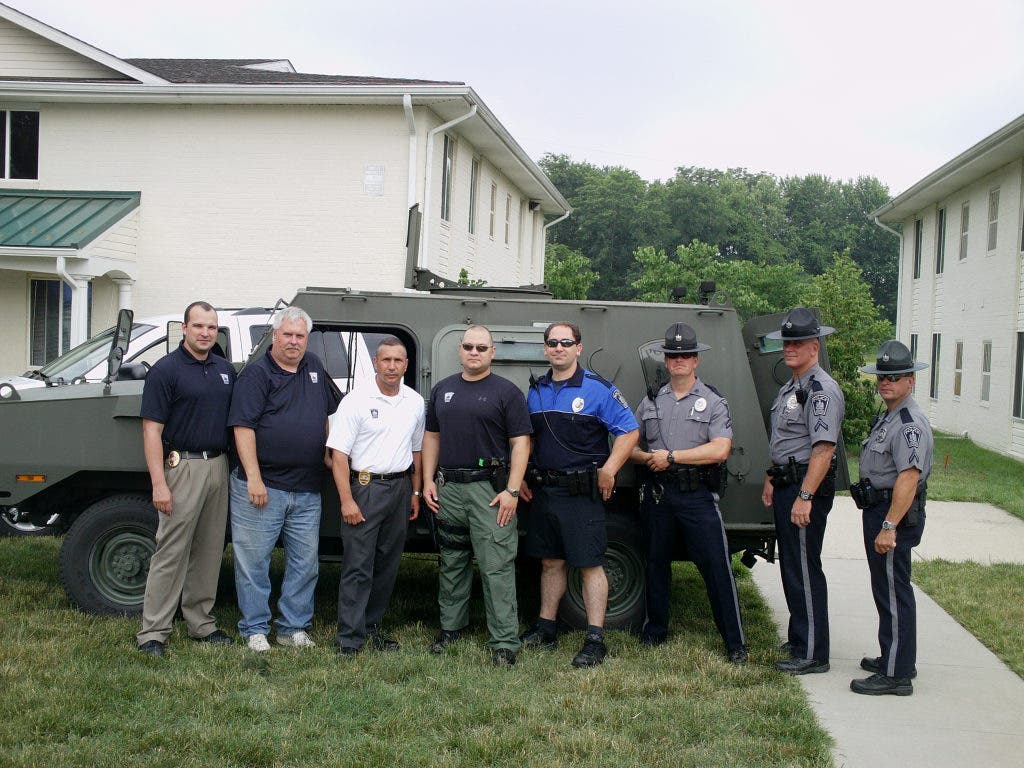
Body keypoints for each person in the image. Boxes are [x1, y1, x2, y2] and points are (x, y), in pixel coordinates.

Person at [520, 322, 639, 668]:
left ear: (578, 348)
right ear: (545, 349)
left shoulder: (598, 389)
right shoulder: (536, 390)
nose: (559, 348)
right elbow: (530, 440)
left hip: (581, 493)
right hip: (544, 491)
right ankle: (545, 627)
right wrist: (524, 475)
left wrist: (610, 469)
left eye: (565, 342)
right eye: (552, 343)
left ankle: (595, 638)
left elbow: (629, 431)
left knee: (589, 564)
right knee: (551, 562)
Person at [630, 323, 746, 663]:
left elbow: (720, 449)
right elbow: (629, 443)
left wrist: (671, 457)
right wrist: (646, 457)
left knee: (716, 567)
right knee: (655, 563)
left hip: (697, 495)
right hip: (658, 495)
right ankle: (655, 633)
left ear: (695, 360)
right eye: (673, 355)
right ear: (666, 361)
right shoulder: (651, 400)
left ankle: (735, 644)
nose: (679, 360)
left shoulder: (712, 401)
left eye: (685, 355)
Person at [228, 306, 338, 653]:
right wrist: (253, 478)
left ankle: (293, 628)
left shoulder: (315, 368)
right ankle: (255, 629)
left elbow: (333, 410)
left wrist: (328, 446)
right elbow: (242, 427)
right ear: (275, 336)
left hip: (307, 487)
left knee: (305, 564)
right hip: (264, 486)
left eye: (300, 336)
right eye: (287, 335)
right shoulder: (257, 375)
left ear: (307, 339)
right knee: (254, 563)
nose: (293, 341)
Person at [421, 325, 532, 667]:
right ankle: (451, 629)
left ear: (492, 352)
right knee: (452, 561)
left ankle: (504, 642)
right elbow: (431, 438)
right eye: (468, 346)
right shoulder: (442, 390)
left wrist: (512, 490)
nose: (474, 352)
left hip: (490, 492)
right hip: (449, 488)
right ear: (460, 350)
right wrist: (427, 480)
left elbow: (521, 443)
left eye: (481, 348)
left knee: (495, 564)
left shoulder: (507, 392)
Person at [136, 301, 236, 657]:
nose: (205, 333)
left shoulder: (225, 370)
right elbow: (151, 431)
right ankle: (153, 632)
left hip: (218, 466)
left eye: (211, 327)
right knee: (171, 551)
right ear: (184, 328)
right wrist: (159, 483)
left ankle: (201, 623)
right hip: (182, 467)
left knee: (209, 550)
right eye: (199, 326)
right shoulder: (166, 370)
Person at [327, 336, 424, 656]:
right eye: (386, 360)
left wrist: (415, 490)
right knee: (358, 565)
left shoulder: (414, 401)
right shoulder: (355, 401)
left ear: (406, 365)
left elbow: (416, 449)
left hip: (399, 489)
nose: (392, 367)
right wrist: (346, 500)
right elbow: (338, 456)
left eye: (398, 361)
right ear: (376, 363)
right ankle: (349, 638)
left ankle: (371, 626)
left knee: (388, 564)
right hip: (365, 488)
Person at [761, 307, 844, 675]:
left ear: (814, 346)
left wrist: (805, 496)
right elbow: (786, 440)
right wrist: (771, 475)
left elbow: (823, 448)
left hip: (803, 487)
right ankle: (800, 636)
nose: (789, 348)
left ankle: (812, 652)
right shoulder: (792, 387)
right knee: (792, 565)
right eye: (786, 342)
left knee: (805, 568)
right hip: (787, 482)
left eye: (797, 343)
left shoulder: (821, 390)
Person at [849, 340, 932, 696]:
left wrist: (888, 526)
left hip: (892, 514)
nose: (886, 383)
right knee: (885, 588)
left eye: (894, 377)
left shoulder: (909, 424)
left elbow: (909, 477)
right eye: (881, 377)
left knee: (894, 591)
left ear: (910, 380)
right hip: (880, 509)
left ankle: (897, 675)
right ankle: (895, 656)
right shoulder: (889, 415)